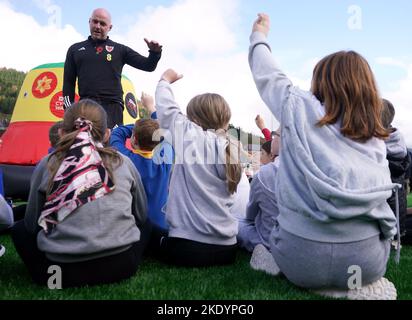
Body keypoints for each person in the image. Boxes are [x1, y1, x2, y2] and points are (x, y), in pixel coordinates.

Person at [249, 13, 398, 300]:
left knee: (276, 241)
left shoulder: (295, 108)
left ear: (321, 82)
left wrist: (259, 35)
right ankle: (353, 288)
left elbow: (266, 72)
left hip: (299, 262)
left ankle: (282, 266)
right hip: (366, 264)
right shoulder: (376, 137)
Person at [11, 99, 150, 288]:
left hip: (59, 274)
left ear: (61, 132)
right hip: (122, 266)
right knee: (148, 225)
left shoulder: (48, 164)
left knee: (19, 230)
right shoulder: (123, 162)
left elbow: (31, 224)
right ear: (107, 134)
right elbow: (141, 216)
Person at [154, 69, 242, 267]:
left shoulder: (190, 136)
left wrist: (165, 81)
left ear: (194, 120)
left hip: (188, 249)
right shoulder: (232, 147)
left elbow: (167, 110)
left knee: (146, 228)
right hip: (227, 249)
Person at [63, 8, 163, 129]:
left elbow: (148, 66)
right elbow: (68, 82)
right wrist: (69, 112)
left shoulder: (120, 50)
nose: (98, 26)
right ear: (89, 21)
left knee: (110, 145)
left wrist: (154, 54)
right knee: (87, 145)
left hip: (113, 108)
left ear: (110, 27)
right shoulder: (75, 49)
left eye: (103, 24)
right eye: (95, 21)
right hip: (86, 106)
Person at [110, 92, 174, 255]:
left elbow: (116, 133)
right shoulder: (166, 158)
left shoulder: (125, 160)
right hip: (162, 228)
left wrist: (139, 127)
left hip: (135, 231)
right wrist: (151, 112)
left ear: (134, 140)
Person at [238, 130, 281, 270]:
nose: (271, 139)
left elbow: (250, 216)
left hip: (269, 241)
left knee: (235, 224)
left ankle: (267, 257)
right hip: (300, 243)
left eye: (275, 136)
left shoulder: (264, 174)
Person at [381, 99, 410, 244]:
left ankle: (393, 237)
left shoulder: (378, 147)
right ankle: (397, 235)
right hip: (399, 213)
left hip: (387, 221)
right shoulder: (399, 143)